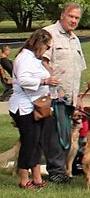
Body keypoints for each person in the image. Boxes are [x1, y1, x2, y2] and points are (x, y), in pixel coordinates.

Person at [40, 3, 85, 183]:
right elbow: (42, 61)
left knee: (66, 134)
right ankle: (56, 172)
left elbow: (78, 70)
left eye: (77, 18)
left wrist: (79, 96)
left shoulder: (75, 39)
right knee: (56, 134)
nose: (73, 20)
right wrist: (52, 81)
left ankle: (64, 170)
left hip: (71, 96)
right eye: (71, 16)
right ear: (62, 15)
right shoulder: (49, 33)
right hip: (54, 94)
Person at [9, 30, 58, 189]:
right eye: (47, 45)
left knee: (37, 143)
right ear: (39, 43)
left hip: (36, 106)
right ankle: (24, 179)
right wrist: (45, 81)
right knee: (29, 143)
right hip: (24, 107)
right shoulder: (24, 58)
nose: (47, 49)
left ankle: (36, 177)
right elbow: (23, 80)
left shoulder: (34, 59)